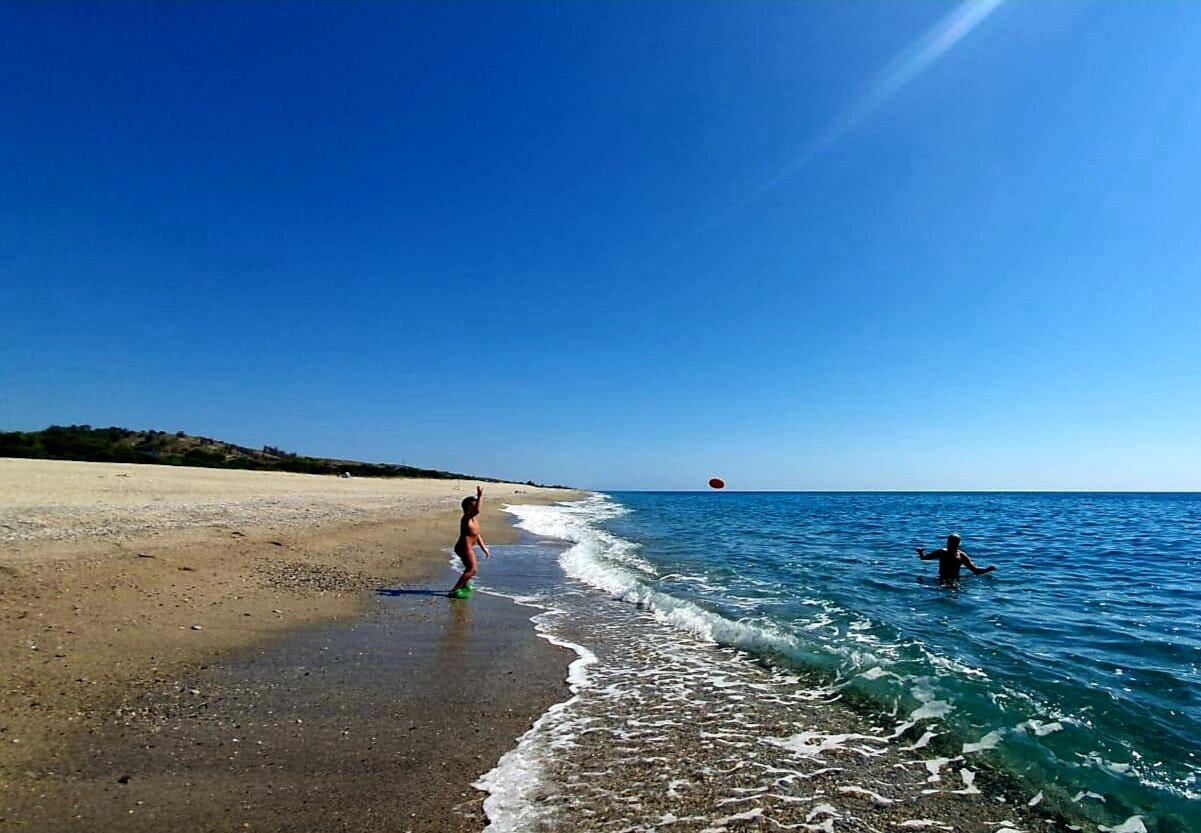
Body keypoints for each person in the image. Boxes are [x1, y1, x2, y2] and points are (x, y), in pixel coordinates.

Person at [450, 486, 491, 597]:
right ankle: (454, 590)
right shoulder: (466, 519)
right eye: (473, 506)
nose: (475, 508)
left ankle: (464, 585)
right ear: (468, 508)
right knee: (472, 570)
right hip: (463, 547)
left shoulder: (474, 520)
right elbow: (477, 510)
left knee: (469, 569)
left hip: (467, 547)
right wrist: (480, 496)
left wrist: (484, 549)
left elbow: (477, 535)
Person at [916, 533, 996, 581]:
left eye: (953, 542)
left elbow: (974, 570)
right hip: (941, 579)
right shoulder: (942, 552)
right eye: (949, 542)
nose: (951, 544)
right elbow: (924, 558)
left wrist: (987, 569)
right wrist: (921, 552)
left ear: (958, 543)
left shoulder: (961, 555)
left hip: (955, 580)